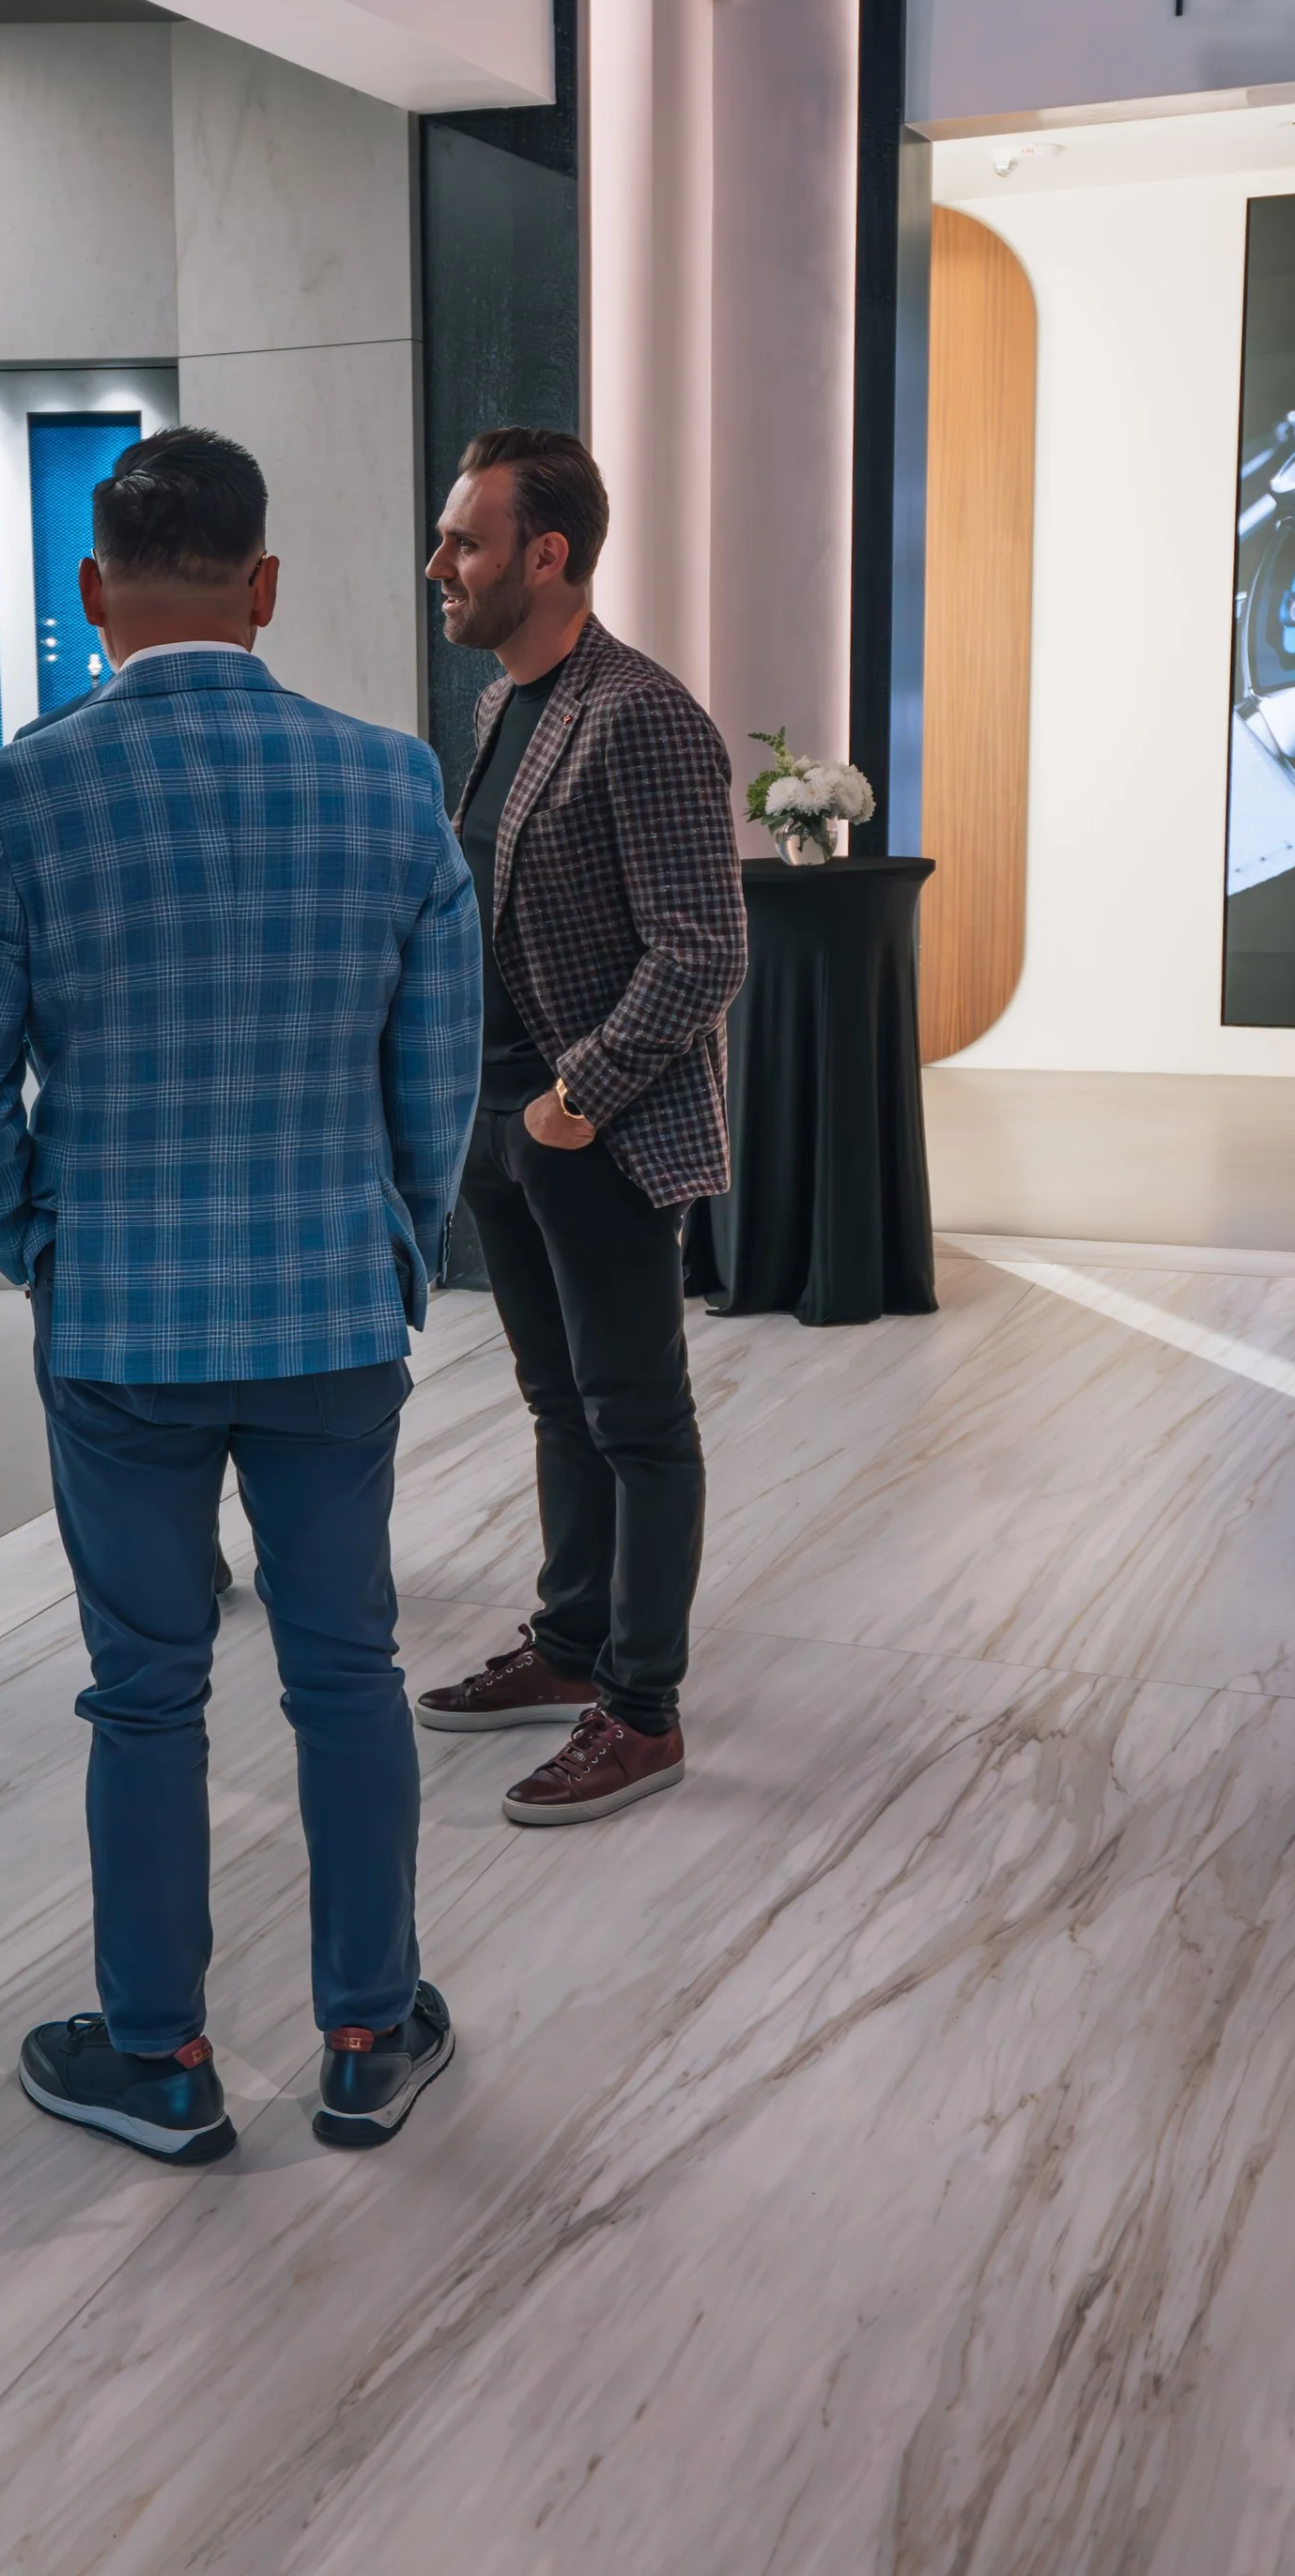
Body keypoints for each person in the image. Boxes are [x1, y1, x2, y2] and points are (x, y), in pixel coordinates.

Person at [0, 427, 478, 2164]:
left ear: (94, 589)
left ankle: (158, 2057)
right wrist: (393, 1235)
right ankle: (369, 2030)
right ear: (267, 583)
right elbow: (437, 1075)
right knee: (348, 1666)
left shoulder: (20, 793)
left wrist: (38, 1243)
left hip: (121, 1326)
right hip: (329, 1313)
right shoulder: (390, 781)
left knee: (143, 1689)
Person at [417, 428, 745, 1829]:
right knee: (559, 1405)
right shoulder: (502, 712)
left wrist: (571, 1101)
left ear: (547, 556)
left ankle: (644, 1707)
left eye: (466, 541)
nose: (441, 565)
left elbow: (702, 948)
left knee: (638, 1420)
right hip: (500, 1128)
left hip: (590, 1135)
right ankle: (571, 1644)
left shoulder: (643, 715)